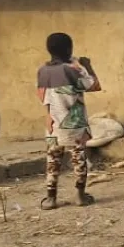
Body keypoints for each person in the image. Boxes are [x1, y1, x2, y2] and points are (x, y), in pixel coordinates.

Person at [38, 33, 102, 210]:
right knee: (78, 158)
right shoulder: (72, 70)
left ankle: (51, 198)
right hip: (74, 123)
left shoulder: (42, 71)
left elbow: (42, 96)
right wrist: (87, 65)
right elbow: (94, 85)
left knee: (52, 160)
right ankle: (80, 195)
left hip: (52, 124)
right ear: (69, 49)